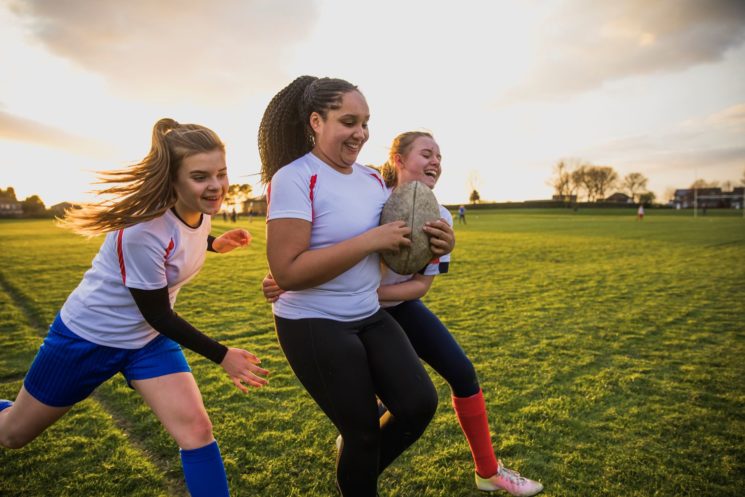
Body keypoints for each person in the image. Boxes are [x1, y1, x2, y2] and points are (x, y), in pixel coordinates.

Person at [0, 118, 269, 497]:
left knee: (196, 430)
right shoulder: (142, 229)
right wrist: (222, 355)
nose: (216, 186)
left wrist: (213, 243)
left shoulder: (201, 207)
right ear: (172, 180)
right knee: (13, 434)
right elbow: (158, 312)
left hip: (147, 342)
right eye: (200, 176)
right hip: (87, 337)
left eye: (221, 173)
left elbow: (182, 237)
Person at [265, 131, 543, 496]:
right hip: (345, 313)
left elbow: (420, 286)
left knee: (460, 373)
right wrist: (288, 278)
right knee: (370, 405)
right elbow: (319, 239)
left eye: (440, 157)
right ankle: (360, 454)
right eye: (426, 153)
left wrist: (373, 289)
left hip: (395, 306)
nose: (436, 162)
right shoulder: (367, 192)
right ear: (398, 158)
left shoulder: (440, 216)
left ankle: (488, 471)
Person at [258, 76, 451, 497]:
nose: (360, 133)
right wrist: (368, 241)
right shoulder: (294, 178)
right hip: (313, 322)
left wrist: (438, 245)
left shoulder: (370, 181)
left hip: (367, 313)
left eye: (365, 122)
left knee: (418, 404)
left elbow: (401, 244)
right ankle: (359, 476)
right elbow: (290, 271)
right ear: (316, 121)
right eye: (349, 121)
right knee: (362, 433)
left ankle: (357, 473)